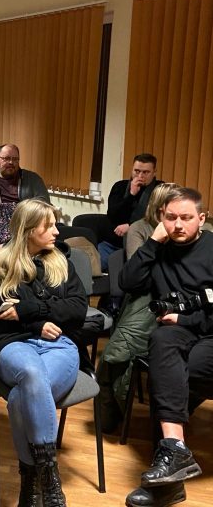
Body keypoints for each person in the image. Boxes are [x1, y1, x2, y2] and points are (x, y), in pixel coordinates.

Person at [0, 199, 87, 507]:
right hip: (14, 344)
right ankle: (50, 478)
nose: (56, 231)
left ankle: (30, 481)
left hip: (60, 345)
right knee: (32, 374)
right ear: (27, 230)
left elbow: (77, 311)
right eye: (48, 226)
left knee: (22, 396)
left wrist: (28, 309)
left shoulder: (62, 263)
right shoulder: (1, 267)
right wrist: (36, 324)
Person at [120, 187, 213, 507]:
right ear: (161, 217)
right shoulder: (158, 248)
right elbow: (127, 282)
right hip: (177, 330)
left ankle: (167, 481)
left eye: (186, 218)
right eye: (171, 217)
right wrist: (152, 242)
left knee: (173, 378)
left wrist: (186, 319)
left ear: (202, 218)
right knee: (161, 342)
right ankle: (174, 452)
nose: (178, 224)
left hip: (208, 330)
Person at [96, 183, 179, 435]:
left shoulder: (187, 232)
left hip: (175, 298)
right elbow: (137, 276)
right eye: (171, 211)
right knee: (117, 351)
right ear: (159, 208)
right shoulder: (140, 229)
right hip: (144, 296)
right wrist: (157, 245)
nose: (177, 219)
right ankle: (111, 410)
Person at [98, 153, 162, 270]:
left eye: (146, 172)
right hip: (113, 243)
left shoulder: (160, 189)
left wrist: (132, 226)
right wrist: (131, 194)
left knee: (134, 271)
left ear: (154, 172)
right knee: (98, 269)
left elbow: (158, 217)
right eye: (137, 171)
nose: (140, 176)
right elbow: (112, 215)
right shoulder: (120, 186)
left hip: (143, 243)